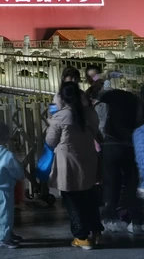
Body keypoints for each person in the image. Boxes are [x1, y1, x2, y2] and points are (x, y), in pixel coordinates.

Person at [46, 82, 103, 250]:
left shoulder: (61, 116)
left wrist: (51, 120)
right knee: (89, 196)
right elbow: (96, 132)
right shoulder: (89, 113)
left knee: (72, 199)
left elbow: (50, 141)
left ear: (63, 98)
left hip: (68, 163)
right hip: (88, 160)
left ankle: (81, 236)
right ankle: (96, 230)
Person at [93, 80, 141, 233]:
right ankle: (136, 220)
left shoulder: (106, 102)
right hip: (130, 145)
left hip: (111, 145)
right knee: (131, 183)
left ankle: (110, 219)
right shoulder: (134, 102)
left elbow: (100, 124)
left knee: (111, 183)